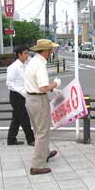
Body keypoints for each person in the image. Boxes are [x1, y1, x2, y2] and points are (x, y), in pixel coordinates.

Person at [25, 39, 61, 175]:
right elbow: (43, 87)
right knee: (42, 131)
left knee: (38, 129)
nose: (52, 52)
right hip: (38, 99)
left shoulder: (32, 61)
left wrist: (50, 88)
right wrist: (55, 85)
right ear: (46, 51)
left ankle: (45, 153)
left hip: (30, 98)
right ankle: (37, 165)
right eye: (50, 50)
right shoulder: (40, 65)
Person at [6, 46, 35, 146]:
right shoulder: (13, 67)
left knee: (17, 118)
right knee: (24, 117)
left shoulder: (25, 65)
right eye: (25, 53)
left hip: (24, 95)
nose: (27, 55)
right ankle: (31, 139)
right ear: (19, 54)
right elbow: (9, 83)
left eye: (28, 53)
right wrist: (20, 90)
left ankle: (11, 139)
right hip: (16, 96)